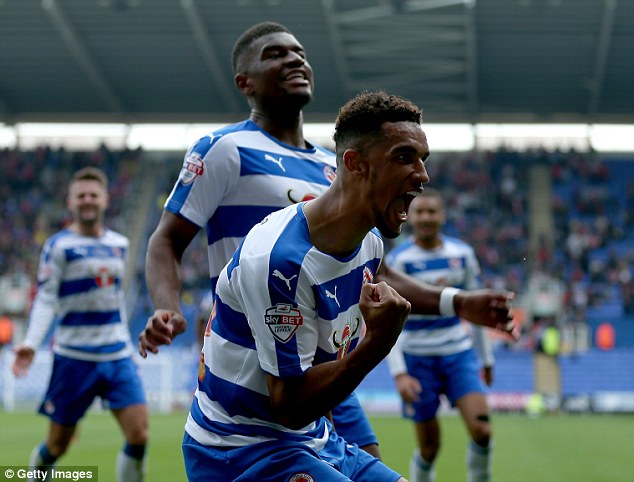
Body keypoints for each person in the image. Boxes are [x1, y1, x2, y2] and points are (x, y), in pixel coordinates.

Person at [139, 21, 379, 457]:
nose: (294, 59)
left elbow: (367, 262)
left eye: (300, 52)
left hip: (323, 356)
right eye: (275, 53)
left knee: (371, 464)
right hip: (257, 359)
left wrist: (455, 301)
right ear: (243, 82)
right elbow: (166, 241)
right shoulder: (225, 148)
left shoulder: (333, 167)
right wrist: (167, 307)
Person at [12, 167, 148, 482]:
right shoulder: (59, 246)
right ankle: (37, 473)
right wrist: (31, 343)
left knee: (139, 433)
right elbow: (46, 298)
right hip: (75, 357)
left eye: (93, 195)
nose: (88, 200)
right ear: (71, 202)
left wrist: (128, 346)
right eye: (81, 195)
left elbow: (115, 301)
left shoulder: (120, 244)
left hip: (116, 354)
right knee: (58, 444)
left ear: (105, 200)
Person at [385, 189, 495, 482]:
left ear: (442, 216)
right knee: (430, 448)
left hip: (458, 355)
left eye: (432, 212)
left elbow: (477, 310)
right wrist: (399, 373)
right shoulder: (399, 261)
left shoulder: (462, 255)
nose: (426, 218)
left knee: (482, 431)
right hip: (417, 360)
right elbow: (388, 321)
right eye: (420, 212)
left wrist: (486, 359)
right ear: (410, 216)